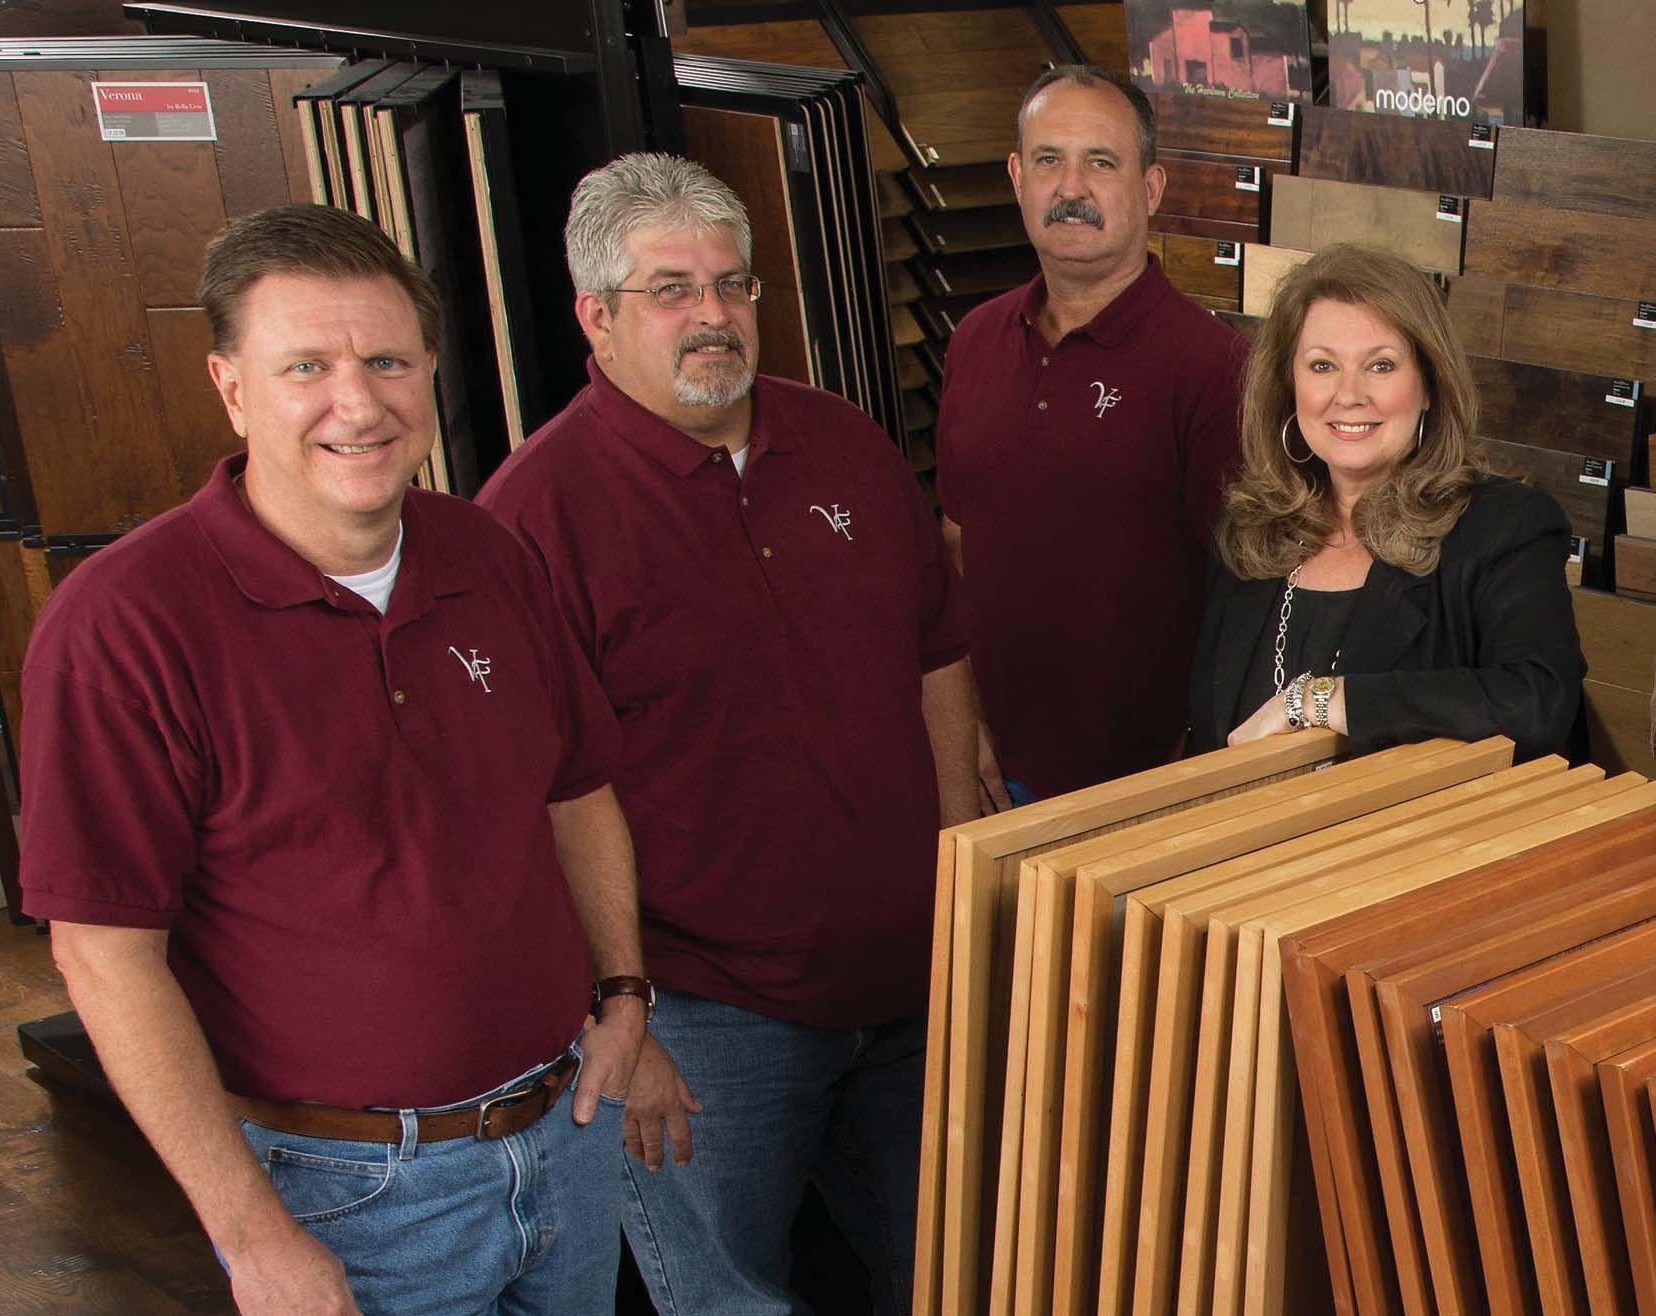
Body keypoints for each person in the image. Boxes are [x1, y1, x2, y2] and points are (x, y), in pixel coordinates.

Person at [17, 204, 657, 1316]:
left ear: (429, 372)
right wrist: (250, 1234)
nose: (357, 404)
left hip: (567, 1130)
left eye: (386, 361)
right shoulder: (124, 624)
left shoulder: (486, 551)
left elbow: (575, 789)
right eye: (305, 366)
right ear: (230, 387)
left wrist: (624, 997)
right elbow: (105, 955)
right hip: (343, 1187)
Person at [476, 152, 981, 1316]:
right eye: (670, 289)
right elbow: (530, 801)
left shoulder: (843, 442)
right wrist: (616, 1017)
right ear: (595, 317)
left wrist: (961, 874)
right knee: (729, 1300)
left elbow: (937, 653)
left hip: (912, 978)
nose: (711, 314)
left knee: (953, 1274)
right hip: (703, 1016)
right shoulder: (532, 516)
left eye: (732, 283)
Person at [935, 64, 1247, 808]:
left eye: (1100, 162)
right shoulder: (973, 340)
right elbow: (954, 545)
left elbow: (1245, 594)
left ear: (1150, 188)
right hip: (991, 769)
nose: (1070, 187)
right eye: (1049, 160)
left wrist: (1186, 769)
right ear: (1017, 178)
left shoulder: (1212, 367)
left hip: (1146, 788)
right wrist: (959, 726)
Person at [1185, 241, 1584, 758]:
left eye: (1380, 366)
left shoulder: (1505, 527)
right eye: (1322, 366)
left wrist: (1323, 700)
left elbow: (1539, 703)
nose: (1349, 394)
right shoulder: (1247, 527)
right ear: (1288, 386)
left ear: (1429, 385)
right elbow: (1207, 735)